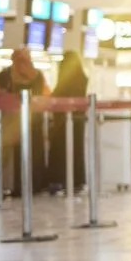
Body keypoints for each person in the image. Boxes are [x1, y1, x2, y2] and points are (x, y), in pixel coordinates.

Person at [0, 48, 49, 197]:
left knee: (20, 154)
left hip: (17, 123)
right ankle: (29, 185)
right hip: (27, 123)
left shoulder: (11, 74)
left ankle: (20, 186)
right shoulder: (36, 75)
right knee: (26, 154)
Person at [47, 51, 88, 195]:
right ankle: (76, 181)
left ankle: (59, 181)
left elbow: (57, 95)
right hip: (78, 121)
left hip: (63, 122)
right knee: (76, 150)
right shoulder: (82, 78)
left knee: (60, 151)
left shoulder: (66, 80)